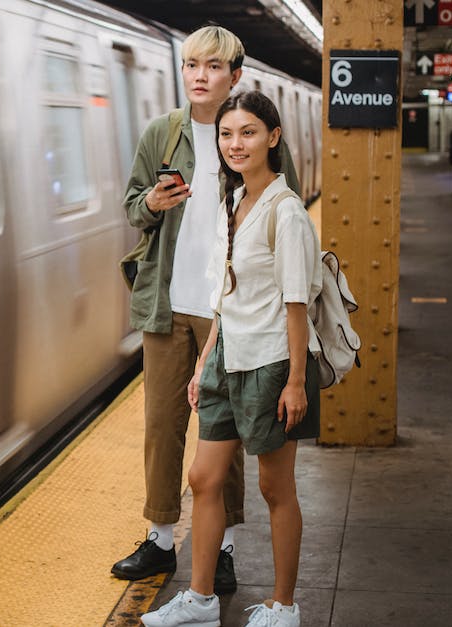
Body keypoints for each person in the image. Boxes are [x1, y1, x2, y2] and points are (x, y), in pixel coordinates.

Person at [112, 25, 300, 595]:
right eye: (192, 64)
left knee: (227, 431)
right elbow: (131, 205)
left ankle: (221, 548)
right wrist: (150, 202)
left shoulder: (251, 134)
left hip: (231, 310)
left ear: (235, 75)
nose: (199, 75)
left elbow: (278, 208)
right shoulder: (162, 134)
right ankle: (160, 538)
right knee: (161, 426)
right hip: (168, 302)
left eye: (213, 66)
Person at [140, 91, 320, 627]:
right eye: (226, 134)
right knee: (204, 477)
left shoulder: (285, 213)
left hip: (268, 365)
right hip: (225, 358)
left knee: (274, 487)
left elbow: (296, 305)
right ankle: (199, 599)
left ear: (273, 137)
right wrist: (203, 363)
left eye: (247, 133)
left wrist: (295, 382)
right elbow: (227, 293)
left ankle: (284, 607)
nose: (235, 144)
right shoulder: (232, 200)